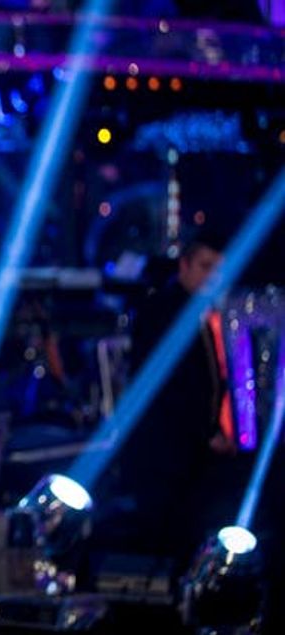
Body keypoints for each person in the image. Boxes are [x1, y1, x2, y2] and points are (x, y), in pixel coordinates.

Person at [109, 227, 247, 572]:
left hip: (190, 457)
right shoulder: (162, 312)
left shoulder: (204, 314)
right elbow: (168, 390)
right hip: (165, 457)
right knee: (167, 549)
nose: (213, 277)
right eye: (205, 266)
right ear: (184, 266)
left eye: (219, 269)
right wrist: (206, 433)